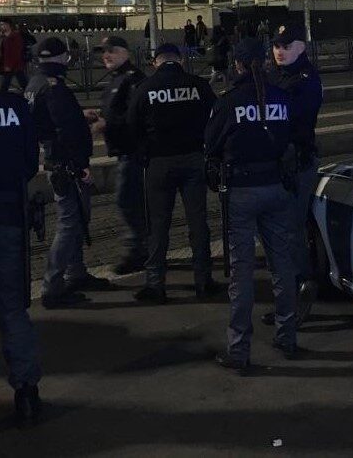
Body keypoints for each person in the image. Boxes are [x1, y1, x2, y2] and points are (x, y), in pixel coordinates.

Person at [205, 38, 297, 372]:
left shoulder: (229, 102)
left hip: (242, 191)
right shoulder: (280, 98)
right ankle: (288, 336)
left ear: (238, 65)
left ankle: (239, 349)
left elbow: (211, 143)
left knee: (241, 273)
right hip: (276, 187)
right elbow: (290, 137)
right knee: (282, 264)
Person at [127, 43, 220, 303]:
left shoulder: (145, 87)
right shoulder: (198, 85)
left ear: (155, 62)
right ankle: (204, 280)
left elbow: (132, 125)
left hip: (158, 164)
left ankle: (155, 284)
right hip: (193, 160)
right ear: (180, 60)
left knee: (157, 225)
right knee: (198, 222)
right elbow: (215, 117)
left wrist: (144, 151)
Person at [25, 37, 109, 309]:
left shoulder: (35, 83)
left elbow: (48, 122)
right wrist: (82, 163)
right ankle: (53, 285)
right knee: (70, 222)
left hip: (55, 161)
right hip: (66, 164)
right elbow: (66, 131)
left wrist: (79, 117)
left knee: (73, 220)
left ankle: (76, 273)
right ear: (62, 58)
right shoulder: (55, 87)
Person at [262, 23, 323, 328]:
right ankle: (289, 294)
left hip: (297, 163)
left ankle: (301, 288)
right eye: (276, 46)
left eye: (286, 46)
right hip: (276, 163)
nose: (279, 51)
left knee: (290, 230)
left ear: (302, 47)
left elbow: (292, 118)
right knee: (277, 231)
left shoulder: (306, 79)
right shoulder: (274, 75)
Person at [85, 36, 148, 274]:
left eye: (112, 50)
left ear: (127, 52)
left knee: (128, 201)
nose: (106, 55)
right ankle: (144, 249)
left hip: (134, 152)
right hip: (124, 151)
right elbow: (115, 111)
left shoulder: (133, 79)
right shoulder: (116, 79)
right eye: (103, 51)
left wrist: (106, 124)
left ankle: (137, 251)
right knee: (130, 201)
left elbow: (136, 117)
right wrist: (98, 116)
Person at [0, 90, 42, 420]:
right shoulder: (13, 106)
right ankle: (27, 395)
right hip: (9, 214)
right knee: (13, 309)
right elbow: (30, 161)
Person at [0, 18, 28, 93]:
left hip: (13, 65)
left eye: (3, 25)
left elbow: (16, 52)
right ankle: (30, 96)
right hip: (13, 65)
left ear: (8, 25)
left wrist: (9, 65)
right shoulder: (6, 37)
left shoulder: (14, 36)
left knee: (6, 84)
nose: (1, 26)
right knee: (22, 81)